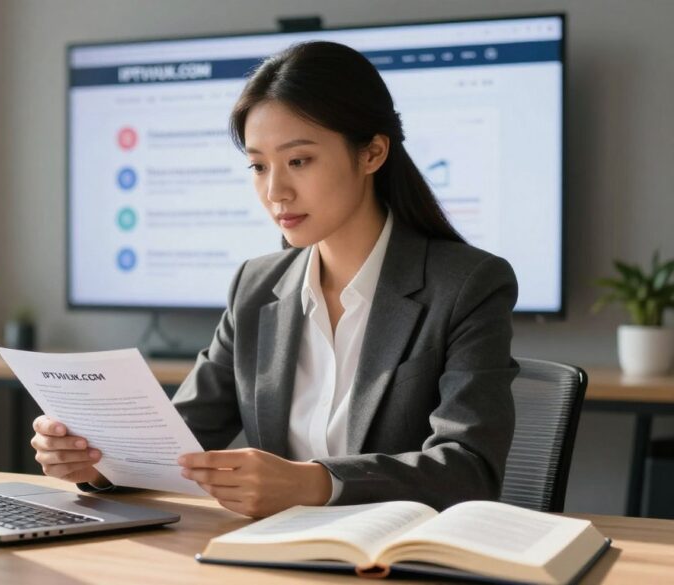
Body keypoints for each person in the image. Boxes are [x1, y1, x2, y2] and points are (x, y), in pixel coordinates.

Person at [30, 41, 518, 518]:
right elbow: (179, 441)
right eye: (259, 166)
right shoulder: (256, 286)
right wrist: (95, 462)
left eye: (299, 161)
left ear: (371, 154)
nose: (275, 191)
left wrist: (312, 482)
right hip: (273, 555)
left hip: (393, 559)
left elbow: (469, 469)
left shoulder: (468, 284)